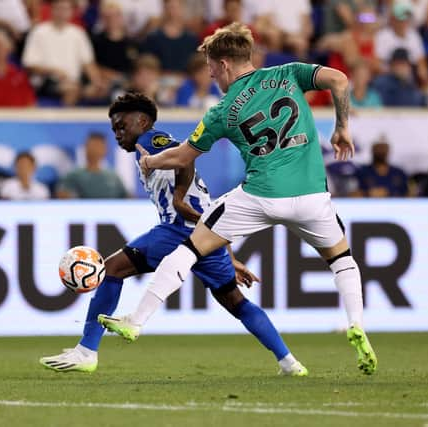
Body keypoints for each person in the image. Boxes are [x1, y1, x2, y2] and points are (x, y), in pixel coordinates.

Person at [99, 23, 378, 376]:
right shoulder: (289, 73)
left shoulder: (223, 111)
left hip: (261, 195)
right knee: (342, 260)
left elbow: (183, 157)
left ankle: (136, 321)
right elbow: (339, 78)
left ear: (226, 63)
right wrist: (341, 126)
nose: (212, 75)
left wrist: (151, 161)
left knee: (189, 248)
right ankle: (357, 324)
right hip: (312, 197)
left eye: (212, 68)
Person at [41, 92, 308, 376]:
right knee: (236, 301)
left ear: (142, 121)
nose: (118, 134)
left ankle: (86, 351)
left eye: (122, 126)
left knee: (111, 270)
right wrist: (229, 255)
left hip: (177, 229)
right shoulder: (142, 149)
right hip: (206, 234)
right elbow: (208, 214)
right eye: (114, 129)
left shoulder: (150, 140)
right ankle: (289, 362)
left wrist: (179, 197)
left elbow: (185, 156)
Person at [56, 132, 128, 199]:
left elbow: (127, 197)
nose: (95, 150)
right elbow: (62, 194)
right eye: (93, 145)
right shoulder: (74, 175)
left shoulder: (113, 177)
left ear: (105, 150)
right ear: (85, 147)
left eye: (99, 146)